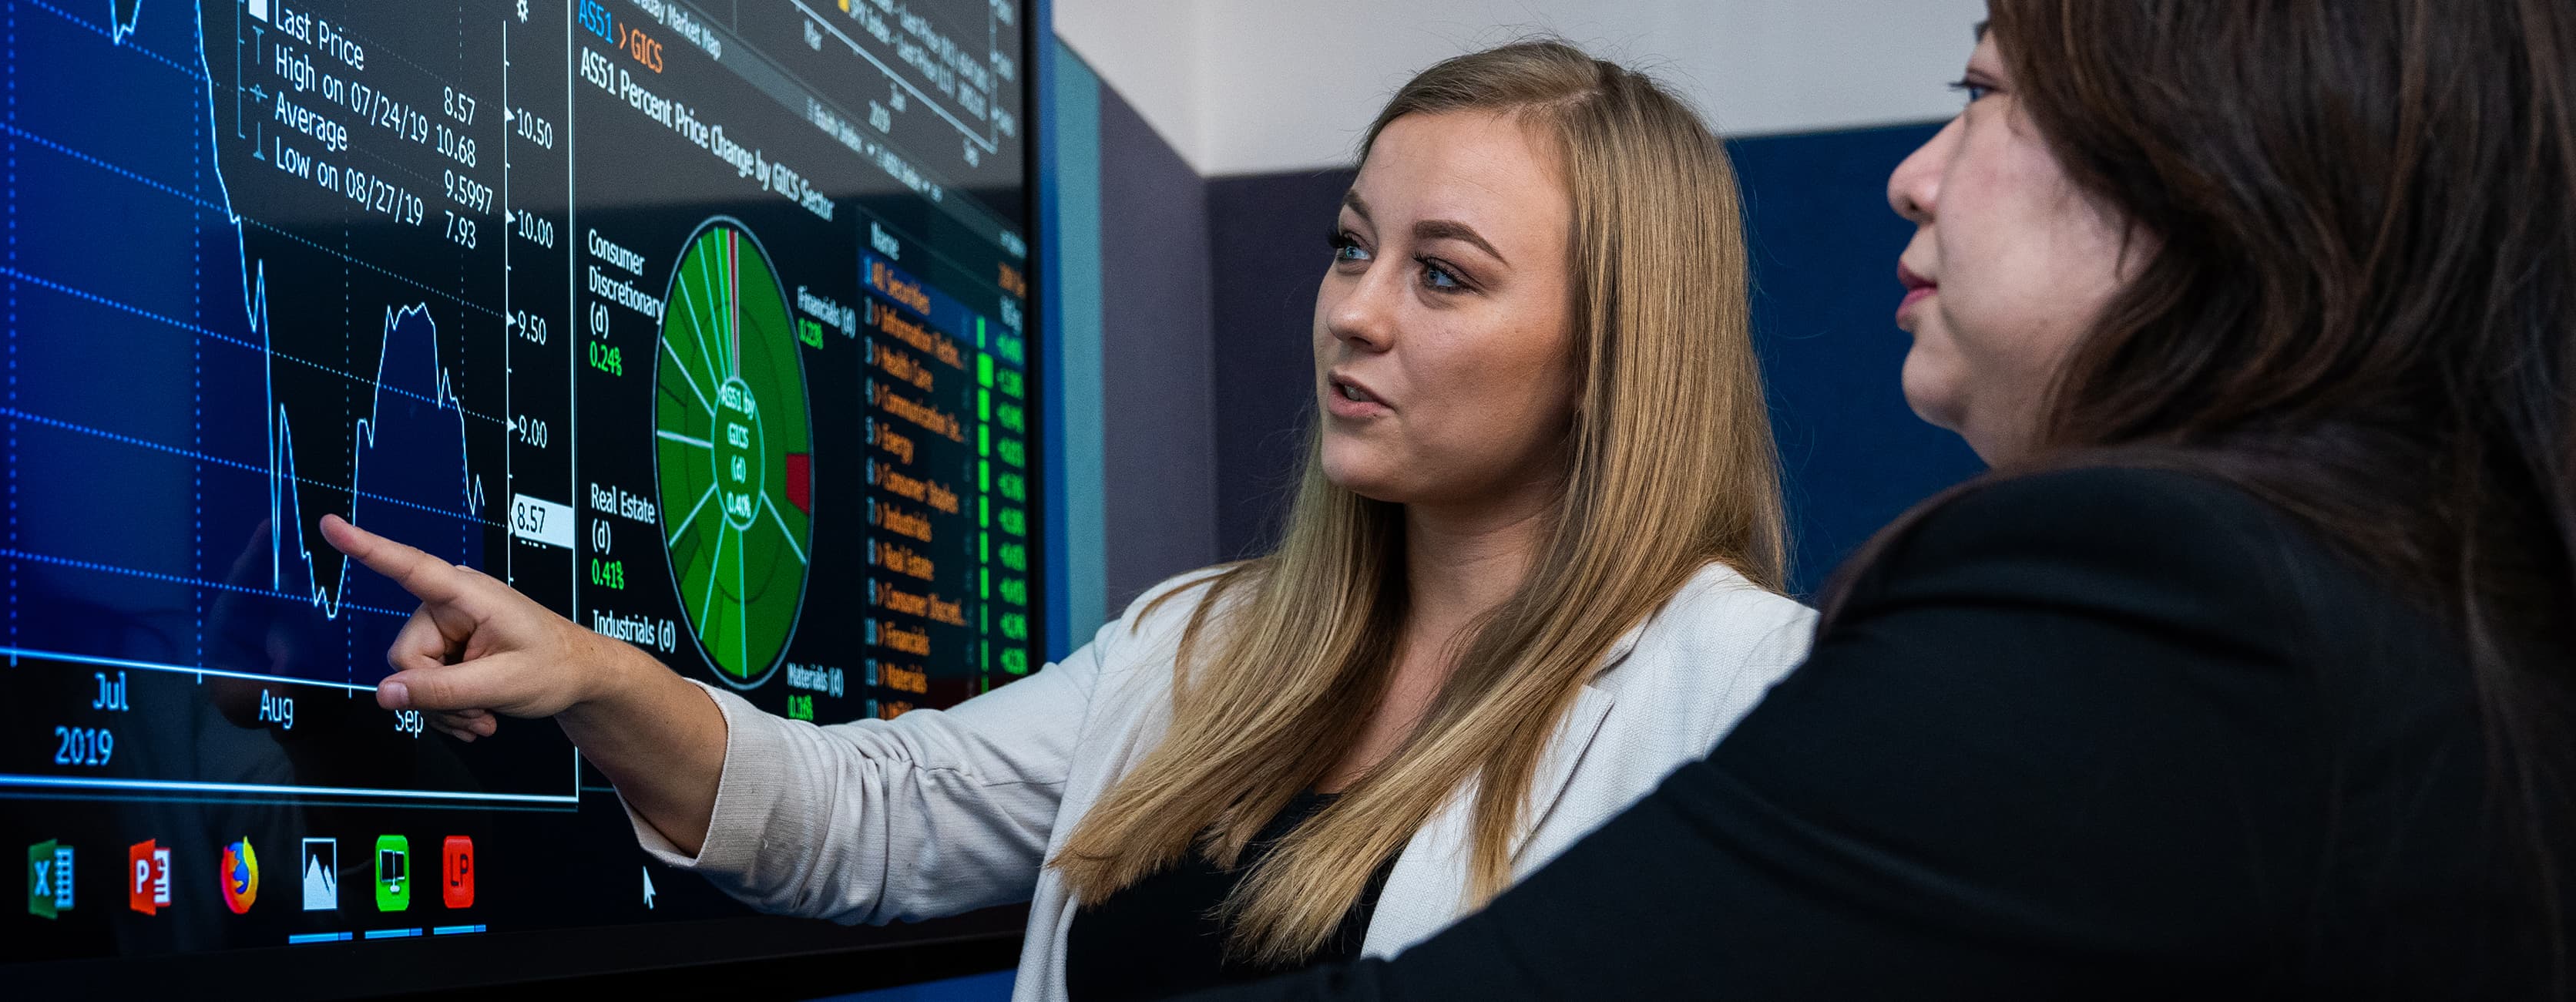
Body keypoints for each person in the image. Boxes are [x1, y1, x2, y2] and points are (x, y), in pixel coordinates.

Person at [319, 40, 1812, 1001]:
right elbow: (876, 812)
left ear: (1618, 344)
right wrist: (596, 673)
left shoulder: (1746, 693)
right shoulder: (1207, 645)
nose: (1352, 312)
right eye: (1349, 244)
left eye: (1444, 273)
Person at [1184, 2, 2576, 999]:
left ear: (2211, 155)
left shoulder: (2158, 602)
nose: (1914, 175)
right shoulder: (2442, 597)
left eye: (1983, 95)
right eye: (1351, 249)